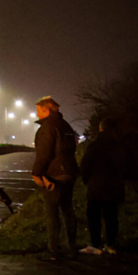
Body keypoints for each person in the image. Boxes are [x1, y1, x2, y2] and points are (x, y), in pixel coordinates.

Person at [31, 96, 79, 261]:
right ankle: (71, 247)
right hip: (69, 172)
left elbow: (44, 154)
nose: (37, 114)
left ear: (47, 109)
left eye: (38, 110)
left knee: (52, 213)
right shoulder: (65, 125)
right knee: (68, 211)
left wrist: (36, 174)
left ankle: (53, 250)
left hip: (54, 175)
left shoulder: (48, 127)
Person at [80, 118, 124, 255]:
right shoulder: (119, 146)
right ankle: (110, 244)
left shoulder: (94, 146)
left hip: (96, 187)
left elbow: (85, 165)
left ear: (101, 128)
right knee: (111, 216)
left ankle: (95, 245)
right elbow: (126, 166)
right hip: (114, 186)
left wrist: (87, 180)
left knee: (94, 216)